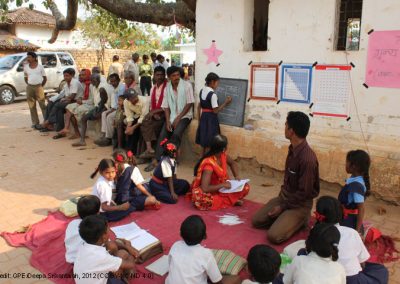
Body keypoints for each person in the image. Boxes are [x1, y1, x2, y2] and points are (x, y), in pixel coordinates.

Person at [252, 111, 320, 244]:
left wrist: (282, 207)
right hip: (285, 197)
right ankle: (284, 218)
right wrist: (282, 203)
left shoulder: (307, 159)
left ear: (292, 131)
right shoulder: (292, 149)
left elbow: (304, 193)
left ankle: (301, 219)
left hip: (299, 204)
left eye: (285, 125)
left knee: (274, 236)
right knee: (256, 220)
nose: (284, 128)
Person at [314, 196, 388, 284]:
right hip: (350, 279)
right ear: (341, 213)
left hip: (325, 277)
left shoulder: (314, 233)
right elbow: (362, 261)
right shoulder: (351, 233)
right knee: (381, 271)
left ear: (318, 216)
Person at [166, 215, 239, 284]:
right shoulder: (206, 254)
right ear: (205, 236)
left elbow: (170, 266)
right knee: (237, 279)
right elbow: (217, 281)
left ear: (180, 234)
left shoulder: (176, 245)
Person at [191, 135, 250, 210]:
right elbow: (205, 188)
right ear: (224, 149)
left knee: (246, 187)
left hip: (224, 188)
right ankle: (231, 200)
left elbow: (233, 163)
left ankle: (227, 200)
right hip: (211, 191)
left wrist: (237, 176)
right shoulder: (209, 164)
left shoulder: (223, 156)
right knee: (199, 198)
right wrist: (222, 185)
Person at [74, 215, 137, 284]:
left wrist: (125, 247)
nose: (109, 230)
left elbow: (111, 244)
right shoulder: (101, 256)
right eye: (108, 229)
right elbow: (131, 264)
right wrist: (129, 248)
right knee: (123, 255)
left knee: (118, 252)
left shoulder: (84, 246)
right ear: (104, 237)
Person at [153, 66, 194, 164]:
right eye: (173, 75)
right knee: (163, 134)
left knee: (176, 134)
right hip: (172, 116)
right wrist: (167, 121)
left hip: (185, 116)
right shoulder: (168, 88)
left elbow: (190, 103)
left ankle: (171, 159)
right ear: (169, 77)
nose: (176, 77)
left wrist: (178, 118)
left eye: (178, 75)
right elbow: (166, 106)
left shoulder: (187, 85)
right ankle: (157, 159)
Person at [196, 72, 232, 155]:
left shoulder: (202, 91)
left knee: (204, 143)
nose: (217, 85)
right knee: (210, 142)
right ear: (212, 82)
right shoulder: (213, 95)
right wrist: (225, 103)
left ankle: (201, 162)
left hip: (203, 118)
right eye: (217, 83)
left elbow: (199, 107)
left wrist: (199, 121)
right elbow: (215, 110)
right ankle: (208, 162)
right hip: (211, 120)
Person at [149, 139, 190, 204]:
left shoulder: (173, 160)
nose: (179, 152)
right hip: (158, 185)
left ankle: (167, 191)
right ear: (173, 152)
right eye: (177, 150)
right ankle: (157, 193)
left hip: (166, 183)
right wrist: (172, 192)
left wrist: (176, 184)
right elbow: (170, 179)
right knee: (172, 199)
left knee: (186, 185)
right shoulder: (165, 162)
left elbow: (174, 177)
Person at [339, 150, 370, 233]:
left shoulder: (356, 186)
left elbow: (361, 208)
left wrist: (357, 231)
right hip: (345, 216)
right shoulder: (354, 178)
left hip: (349, 221)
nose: (345, 164)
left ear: (354, 166)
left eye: (347, 162)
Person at [139, 66, 167, 158]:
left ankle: (149, 152)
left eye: (161, 75)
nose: (159, 77)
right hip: (155, 113)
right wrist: (153, 113)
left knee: (147, 127)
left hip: (165, 114)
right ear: (154, 76)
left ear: (164, 76)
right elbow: (151, 104)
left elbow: (167, 105)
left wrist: (154, 113)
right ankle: (148, 151)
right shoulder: (153, 88)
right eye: (157, 75)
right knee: (144, 124)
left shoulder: (167, 87)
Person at [64, 195, 101, 264]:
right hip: (84, 262)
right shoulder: (96, 227)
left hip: (70, 258)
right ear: (98, 213)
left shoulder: (72, 223)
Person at [48, 68, 84, 138]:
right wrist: (64, 99)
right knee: (58, 107)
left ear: (72, 76)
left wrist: (65, 99)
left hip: (77, 101)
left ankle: (49, 121)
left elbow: (72, 96)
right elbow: (66, 95)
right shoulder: (66, 84)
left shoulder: (75, 82)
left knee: (58, 105)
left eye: (67, 76)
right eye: (64, 76)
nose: (65, 77)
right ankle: (60, 130)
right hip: (71, 101)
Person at [95, 73, 126, 147]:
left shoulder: (121, 87)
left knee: (109, 116)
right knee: (104, 114)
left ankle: (109, 138)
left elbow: (121, 102)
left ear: (118, 80)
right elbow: (114, 102)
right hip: (115, 107)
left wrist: (112, 110)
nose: (113, 83)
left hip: (122, 109)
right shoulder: (114, 87)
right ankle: (104, 135)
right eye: (111, 82)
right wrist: (111, 109)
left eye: (114, 81)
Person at [24, 51, 47, 129]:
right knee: (32, 105)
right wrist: (29, 85)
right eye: (27, 57)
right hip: (30, 87)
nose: (28, 58)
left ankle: (46, 121)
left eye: (29, 57)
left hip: (39, 87)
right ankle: (35, 122)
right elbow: (25, 77)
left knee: (42, 105)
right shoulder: (26, 67)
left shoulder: (40, 67)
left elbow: (45, 78)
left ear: (34, 58)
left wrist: (41, 86)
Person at [123, 88, 147, 154]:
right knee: (128, 131)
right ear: (128, 99)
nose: (135, 98)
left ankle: (133, 152)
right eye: (132, 98)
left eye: (135, 96)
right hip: (137, 115)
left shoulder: (144, 101)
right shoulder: (126, 102)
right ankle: (128, 150)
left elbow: (143, 116)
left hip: (146, 116)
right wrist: (129, 127)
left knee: (135, 130)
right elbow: (129, 116)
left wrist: (133, 128)